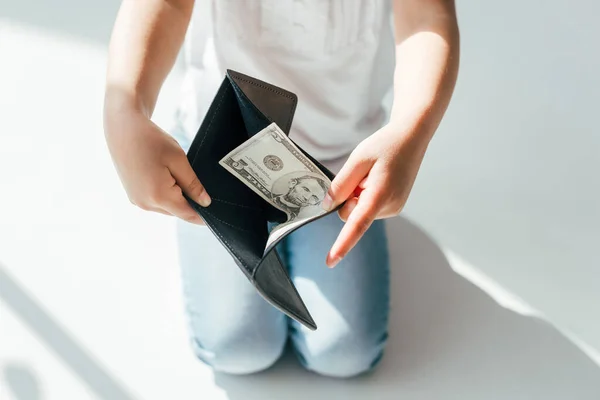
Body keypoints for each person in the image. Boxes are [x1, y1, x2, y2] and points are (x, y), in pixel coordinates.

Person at [104, 0, 459, 378]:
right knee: (237, 347)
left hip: (342, 163)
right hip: (220, 149)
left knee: (344, 353)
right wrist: (124, 108)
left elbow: (427, 15)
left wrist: (410, 132)